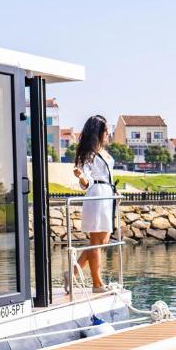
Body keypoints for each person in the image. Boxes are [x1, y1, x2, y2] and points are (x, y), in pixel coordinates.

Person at [68, 114, 115, 293]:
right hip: (97, 195)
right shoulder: (88, 154)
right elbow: (86, 179)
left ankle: (72, 273)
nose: (108, 134)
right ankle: (97, 284)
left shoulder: (102, 151)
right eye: (106, 131)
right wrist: (82, 179)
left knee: (102, 241)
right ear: (98, 132)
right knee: (96, 242)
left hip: (107, 196)